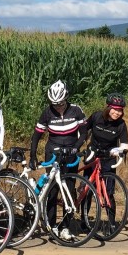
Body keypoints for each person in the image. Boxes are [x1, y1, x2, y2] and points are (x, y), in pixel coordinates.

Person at [30, 80, 86, 241]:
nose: (58, 107)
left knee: (69, 189)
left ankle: (66, 226)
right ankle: (52, 224)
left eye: (60, 103)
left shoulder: (76, 110)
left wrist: (76, 147)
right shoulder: (47, 112)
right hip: (53, 151)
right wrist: (33, 156)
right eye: (54, 104)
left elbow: (83, 133)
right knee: (52, 189)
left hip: (71, 151)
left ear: (66, 98)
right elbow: (37, 135)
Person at [83, 93, 128, 230]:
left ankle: (111, 222)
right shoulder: (97, 116)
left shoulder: (121, 124)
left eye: (120, 110)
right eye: (115, 109)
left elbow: (125, 144)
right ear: (108, 108)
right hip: (92, 154)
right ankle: (84, 220)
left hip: (108, 157)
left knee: (108, 192)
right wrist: (83, 146)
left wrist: (119, 151)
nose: (117, 113)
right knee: (87, 190)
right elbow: (84, 130)